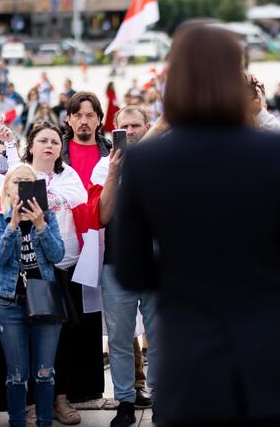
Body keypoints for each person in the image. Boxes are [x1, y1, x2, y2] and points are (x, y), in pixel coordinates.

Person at [115, 23, 280, 426]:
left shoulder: (146, 162)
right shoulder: (274, 152)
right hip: (272, 358)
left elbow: (131, 268)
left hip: (190, 361)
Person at [86, 105, 158, 427]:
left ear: (147, 127)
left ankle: (160, 393)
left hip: (158, 263)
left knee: (160, 336)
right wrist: (116, 170)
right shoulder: (103, 166)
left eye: (135, 125)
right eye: (123, 126)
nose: (129, 131)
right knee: (119, 338)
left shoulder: (162, 160)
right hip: (117, 263)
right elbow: (102, 214)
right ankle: (125, 400)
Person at [22, 121, 96, 422]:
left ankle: (62, 399)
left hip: (66, 262)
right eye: (42, 141)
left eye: (54, 141)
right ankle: (33, 402)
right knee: (32, 333)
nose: (50, 145)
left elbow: (83, 204)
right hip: (32, 266)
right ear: (31, 146)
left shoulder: (69, 176)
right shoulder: (21, 174)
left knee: (65, 335)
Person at [0, 163, 66, 427]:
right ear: (8, 188)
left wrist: (40, 224)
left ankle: (45, 422)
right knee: (17, 375)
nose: (21, 186)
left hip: (44, 301)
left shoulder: (49, 218)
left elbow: (57, 255)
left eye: (28, 182)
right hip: (11, 304)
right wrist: (13, 225)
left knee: (45, 374)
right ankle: (17, 423)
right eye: (17, 182)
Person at [62, 91, 112, 187]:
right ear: (68, 119)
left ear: (98, 119)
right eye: (78, 115)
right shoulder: (56, 150)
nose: (84, 121)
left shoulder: (111, 153)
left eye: (89, 115)